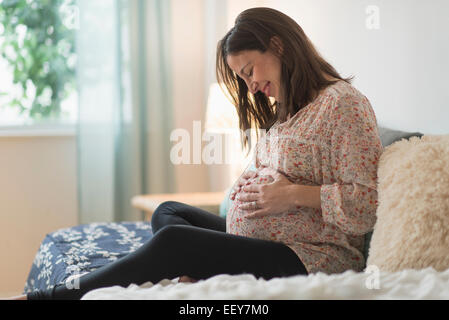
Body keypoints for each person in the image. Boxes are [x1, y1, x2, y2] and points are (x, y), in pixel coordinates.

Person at [6, 7, 382, 300]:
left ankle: (53, 296)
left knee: (174, 243)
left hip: (310, 258)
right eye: (243, 79)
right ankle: (202, 266)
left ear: (279, 45)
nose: (251, 87)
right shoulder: (287, 109)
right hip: (262, 241)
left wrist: (289, 195)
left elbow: (365, 204)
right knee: (168, 212)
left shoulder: (342, 105)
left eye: (250, 71)